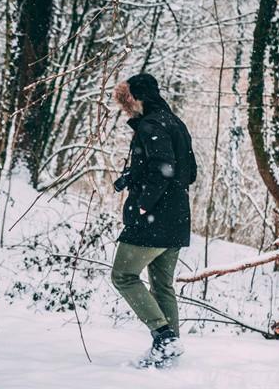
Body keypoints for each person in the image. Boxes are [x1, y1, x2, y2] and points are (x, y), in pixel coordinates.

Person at [110, 73, 197, 368]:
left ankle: (164, 337)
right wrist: (132, 176)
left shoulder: (150, 125)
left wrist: (142, 207)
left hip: (154, 220)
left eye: (127, 101)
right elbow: (189, 173)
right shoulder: (176, 124)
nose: (126, 108)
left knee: (123, 275)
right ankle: (169, 351)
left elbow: (162, 169)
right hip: (178, 219)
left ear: (137, 97)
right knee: (162, 286)